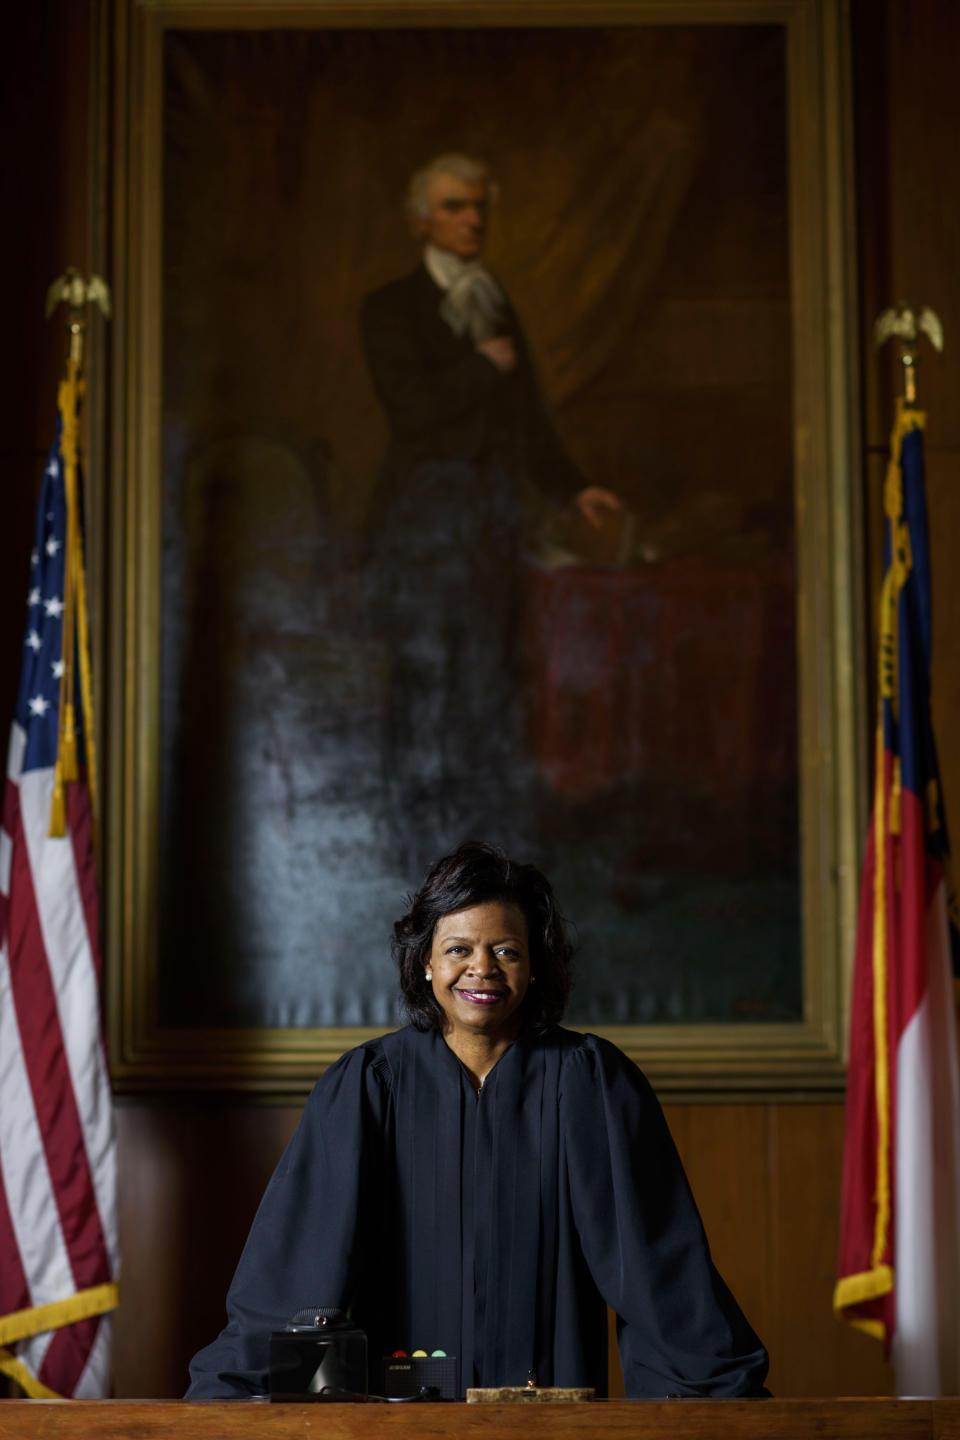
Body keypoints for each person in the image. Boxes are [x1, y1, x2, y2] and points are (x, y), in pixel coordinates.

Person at [186, 841, 769, 1399]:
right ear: (425, 964)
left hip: (553, 1414)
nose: (481, 969)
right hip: (401, 1414)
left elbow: (660, 1274)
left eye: (506, 951)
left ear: (535, 966)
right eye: (458, 949)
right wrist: (246, 1399)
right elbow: (297, 1272)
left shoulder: (591, 1084)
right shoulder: (368, 1085)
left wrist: (711, 1400)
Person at [359, 157, 621, 871]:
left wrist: (572, 488)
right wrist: (481, 366)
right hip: (422, 526)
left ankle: (479, 851)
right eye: (454, 207)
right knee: (425, 682)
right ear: (422, 221)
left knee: (489, 682)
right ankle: (417, 848)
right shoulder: (388, 309)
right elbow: (411, 414)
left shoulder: (493, 299)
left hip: (491, 525)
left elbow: (528, 417)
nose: (472, 219)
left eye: (478, 206)